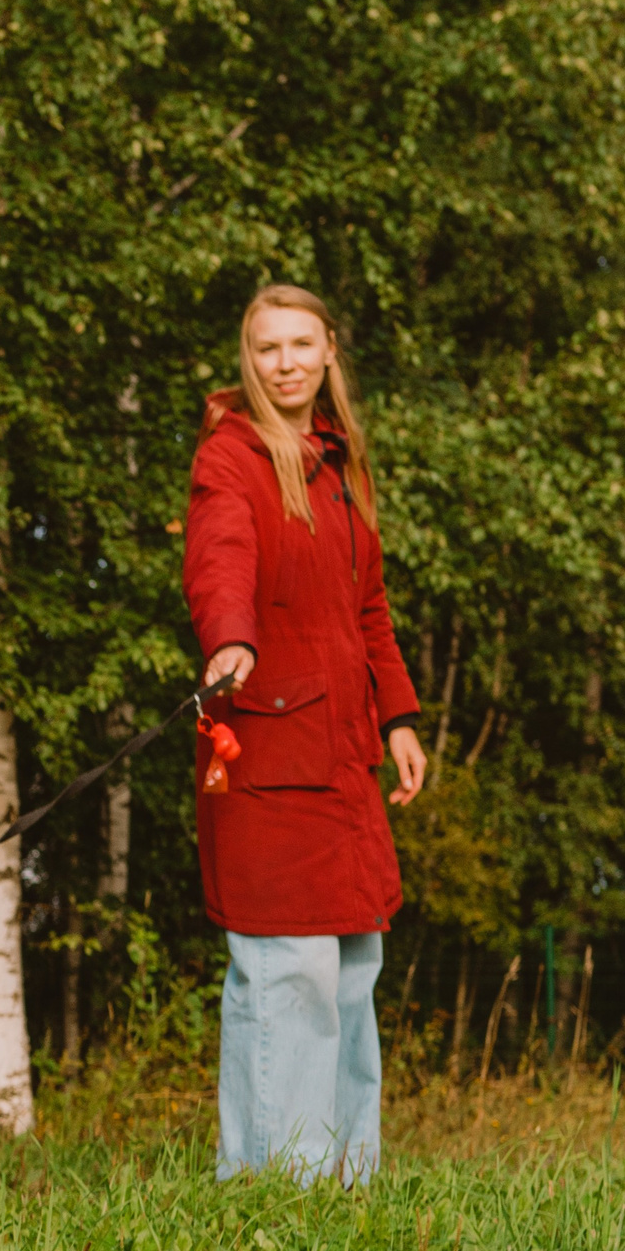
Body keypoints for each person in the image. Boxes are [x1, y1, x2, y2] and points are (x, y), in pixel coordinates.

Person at [181, 285, 427, 1186]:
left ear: (328, 352)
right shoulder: (231, 457)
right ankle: (274, 1192)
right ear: (250, 359)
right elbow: (219, 556)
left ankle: (347, 1182)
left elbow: (368, 607)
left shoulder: (339, 464)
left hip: (345, 760)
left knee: (353, 967)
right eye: (267, 347)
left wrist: (398, 716)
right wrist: (230, 637)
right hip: (266, 750)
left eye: (300, 344)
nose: (285, 362)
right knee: (286, 975)